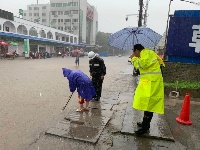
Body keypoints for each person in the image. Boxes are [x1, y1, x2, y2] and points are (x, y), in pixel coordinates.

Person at [130, 44, 165, 135]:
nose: (135, 54)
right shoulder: (147, 53)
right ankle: (145, 124)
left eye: (134, 52)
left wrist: (133, 59)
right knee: (147, 104)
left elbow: (142, 64)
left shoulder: (146, 52)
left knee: (149, 105)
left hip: (152, 83)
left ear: (137, 50)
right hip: (150, 82)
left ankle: (145, 128)